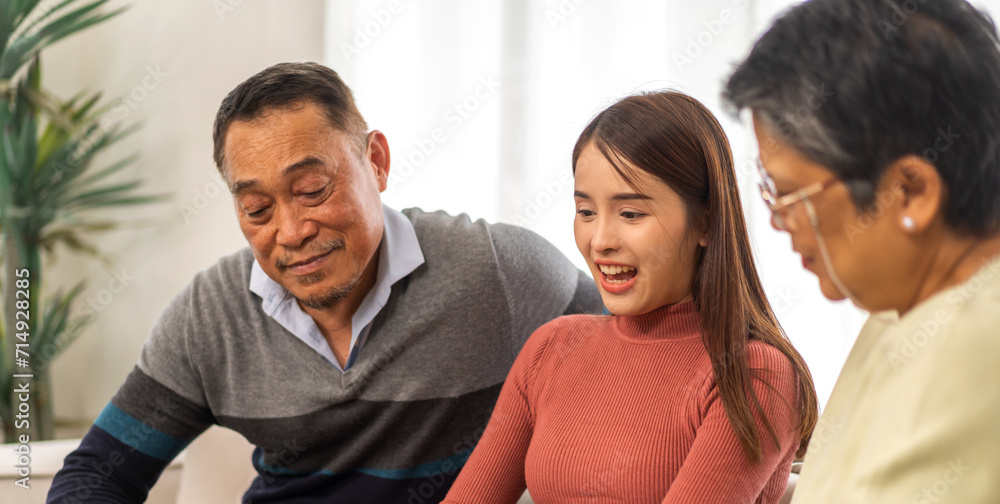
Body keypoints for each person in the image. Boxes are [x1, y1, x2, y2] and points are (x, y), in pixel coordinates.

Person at [46, 62, 603, 504]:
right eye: (258, 208)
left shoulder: (496, 271)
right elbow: (98, 473)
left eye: (312, 189)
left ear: (376, 162)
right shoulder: (211, 315)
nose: (291, 232)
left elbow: (651, 347)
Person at [441, 91, 819, 504]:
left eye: (631, 214)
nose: (600, 240)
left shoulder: (754, 374)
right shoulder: (551, 349)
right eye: (585, 212)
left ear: (707, 221)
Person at [723, 0, 1000, 502]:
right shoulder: (904, 308)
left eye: (790, 194)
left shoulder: (971, 348)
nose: (775, 219)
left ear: (910, 192)